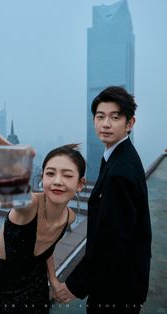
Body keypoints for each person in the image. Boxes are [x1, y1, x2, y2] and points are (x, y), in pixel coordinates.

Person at [0, 117, 86, 314]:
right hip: (4, 289)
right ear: (42, 177)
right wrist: (2, 165)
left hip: (36, 281)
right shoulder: (29, 207)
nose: (57, 181)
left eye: (68, 175)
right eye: (50, 173)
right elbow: (20, 197)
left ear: (80, 184)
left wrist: (53, 279)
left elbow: (47, 248)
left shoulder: (69, 217)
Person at [54, 86, 152, 313]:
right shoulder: (119, 156)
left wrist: (75, 286)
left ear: (130, 123)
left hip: (116, 288)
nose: (106, 124)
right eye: (100, 117)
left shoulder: (120, 171)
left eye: (115, 117)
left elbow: (112, 242)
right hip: (123, 279)